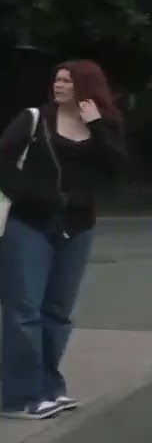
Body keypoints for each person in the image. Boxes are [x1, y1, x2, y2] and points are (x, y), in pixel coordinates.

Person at [0, 61, 127, 419]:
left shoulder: (103, 124)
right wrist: (30, 195)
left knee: (57, 312)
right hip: (29, 224)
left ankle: (49, 387)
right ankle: (20, 397)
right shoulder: (34, 119)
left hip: (77, 227)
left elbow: (119, 169)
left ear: (87, 87)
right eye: (56, 79)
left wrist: (98, 127)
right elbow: (3, 163)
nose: (58, 85)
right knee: (24, 310)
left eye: (67, 81)